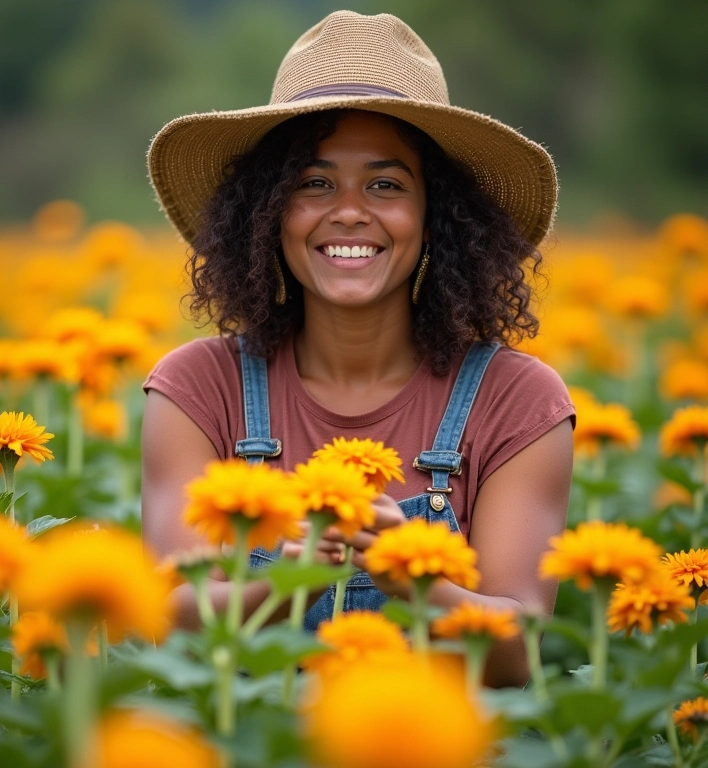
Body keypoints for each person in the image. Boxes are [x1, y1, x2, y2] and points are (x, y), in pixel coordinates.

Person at [141, 10, 575, 688]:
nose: (348, 211)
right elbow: (171, 620)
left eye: (386, 184)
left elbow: (520, 652)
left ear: (438, 214)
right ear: (268, 211)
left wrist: (410, 572)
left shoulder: (518, 401)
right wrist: (302, 572)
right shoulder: (199, 389)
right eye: (313, 183)